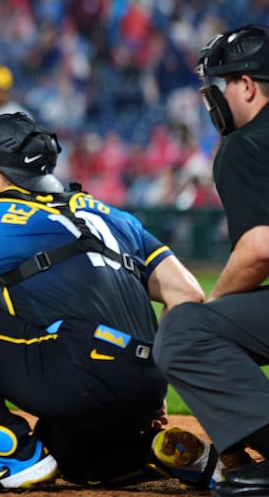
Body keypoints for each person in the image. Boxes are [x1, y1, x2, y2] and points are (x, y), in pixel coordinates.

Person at [0, 112, 217, 491]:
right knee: (71, 456)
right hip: (145, 386)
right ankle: (144, 451)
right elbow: (188, 294)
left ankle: (11, 453)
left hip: (76, 372)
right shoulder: (113, 216)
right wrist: (154, 381)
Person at [155, 24, 269, 497]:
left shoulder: (245, 144)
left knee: (183, 331)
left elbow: (261, 247)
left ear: (245, 85)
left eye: (220, 85)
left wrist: (211, 308)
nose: (215, 98)